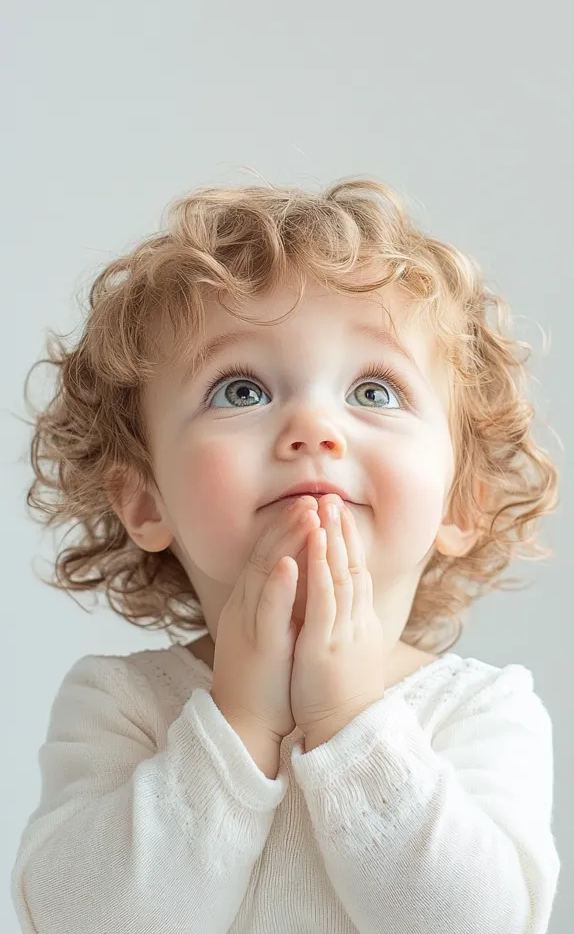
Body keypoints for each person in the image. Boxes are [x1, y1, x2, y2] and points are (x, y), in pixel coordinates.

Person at [11, 177, 560, 933]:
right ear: (145, 501)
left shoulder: (482, 713)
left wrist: (350, 717)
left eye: (373, 391)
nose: (313, 426)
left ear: (462, 501)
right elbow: (84, 920)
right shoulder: (123, 707)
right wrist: (237, 718)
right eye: (240, 390)